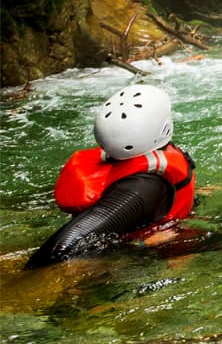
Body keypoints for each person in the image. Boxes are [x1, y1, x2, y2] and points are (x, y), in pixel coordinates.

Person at [24, 84, 197, 269]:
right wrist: (141, 245)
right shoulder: (142, 188)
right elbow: (66, 246)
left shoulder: (143, 163)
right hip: (133, 258)